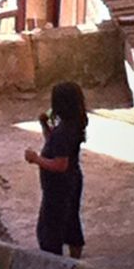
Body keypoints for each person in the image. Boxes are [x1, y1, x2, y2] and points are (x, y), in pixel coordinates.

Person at [25, 80, 87, 258]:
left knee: (49, 229)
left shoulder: (62, 132)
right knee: (70, 221)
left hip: (59, 187)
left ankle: (56, 265)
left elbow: (60, 164)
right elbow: (56, 146)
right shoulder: (76, 123)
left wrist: (36, 159)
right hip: (73, 179)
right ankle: (75, 261)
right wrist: (45, 127)